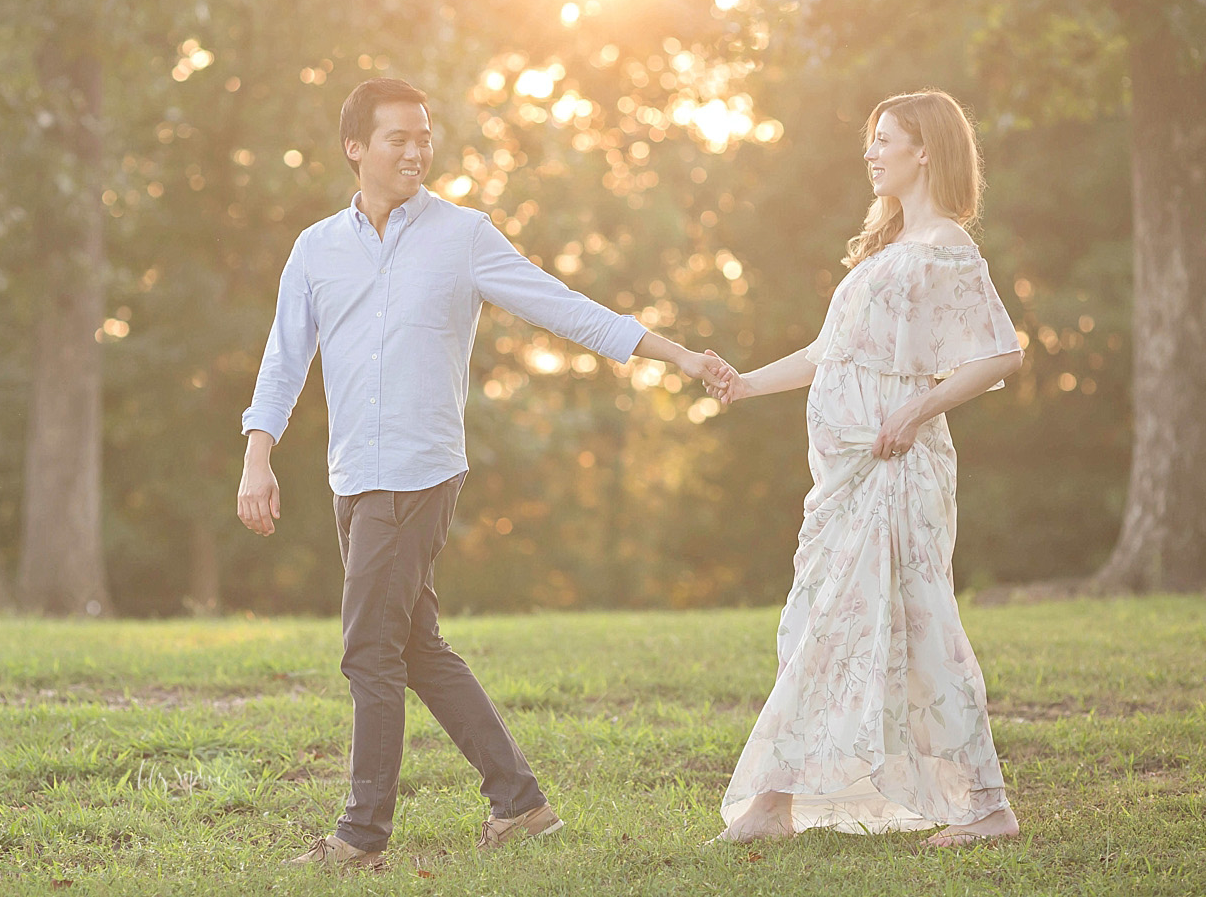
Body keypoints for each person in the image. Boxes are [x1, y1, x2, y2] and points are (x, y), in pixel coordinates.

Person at [237, 77, 722, 870]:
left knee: (368, 651)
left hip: (420, 472)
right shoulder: (316, 248)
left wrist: (676, 354)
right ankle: (520, 802)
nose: (416, 150)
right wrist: (258, 454)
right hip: (352, 475)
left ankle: (359, 842)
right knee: (416, 647)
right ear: (356, 147)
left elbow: (563, 307)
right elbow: (284, 360)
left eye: (424, 136)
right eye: (397, 137)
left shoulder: (462, 235)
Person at [703, 89, 1024, 847]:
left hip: (899, 469)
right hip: (844, 475)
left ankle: (987, 807)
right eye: (871, 140)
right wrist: (745, 384)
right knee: (814, 619)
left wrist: (914, 413)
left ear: (926, 151)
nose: (871, 153)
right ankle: (777, 803)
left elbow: (1001, 353)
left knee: (923, 625)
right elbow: (826, 357)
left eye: (886, 140)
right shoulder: (885, 250)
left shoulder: (946, 246)